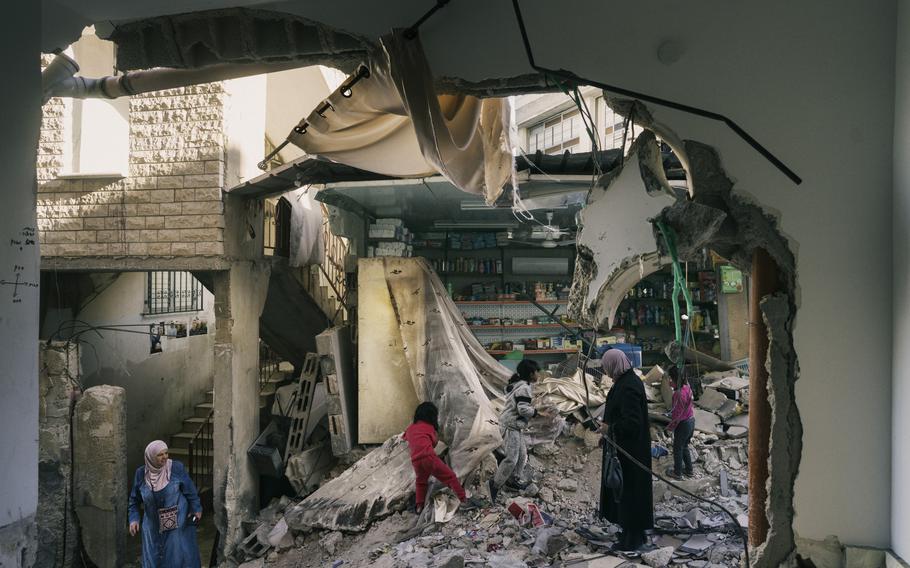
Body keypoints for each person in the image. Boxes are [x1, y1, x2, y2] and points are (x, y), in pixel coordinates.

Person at [598, 349, 654, 551]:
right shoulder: (624, 381)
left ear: (614, 364)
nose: (605, 370)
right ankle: (628, 535)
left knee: (631, 494)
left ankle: (633, 541)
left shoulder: (629, 386)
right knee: (625, 494)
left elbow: (633, 423)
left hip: (631, 453)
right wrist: (607, 435)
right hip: (624, 449)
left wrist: (609, 429)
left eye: (606, 366)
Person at [128, 440, 203, 567]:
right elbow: (134, 500)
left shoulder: (175, 468)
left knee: (178, 558)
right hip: (153, 527)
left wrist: (196, 508)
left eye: (166, 453)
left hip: (177, 523)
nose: (165, 457)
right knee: (154, 559)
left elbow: (191, 492)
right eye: (160, 455)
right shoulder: (141, 474)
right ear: (150, 457)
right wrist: (134, 519)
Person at [403, 402, 484, 513]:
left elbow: (405, 437)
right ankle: (464, 500)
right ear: (432, 416)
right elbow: (434, 443)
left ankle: (419, 506)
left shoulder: (410, 428)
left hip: (416, 461)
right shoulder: (429, 428)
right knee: (450, 477)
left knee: (421, 482)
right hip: (429, 457)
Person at [489, 359, 546, 503]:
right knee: (512, 458)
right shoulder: (524, 388)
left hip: (514, 425)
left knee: (522, 455)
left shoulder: (519, 384)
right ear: (531, 373)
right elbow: (523, 409)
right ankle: (494, 485)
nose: (538, 374)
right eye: (536, 372)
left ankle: (513, 480)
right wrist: (536, 413)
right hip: (511, 426)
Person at [665, 366, 695, 480]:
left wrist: (670, 427)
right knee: (685, 446)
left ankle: (677, 473)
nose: (669, 381)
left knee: (677, 448)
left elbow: (677, 416)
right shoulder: (687, 387)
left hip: (683, 424)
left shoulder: (677, 394)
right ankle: (689, 470)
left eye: (670, 378)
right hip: (691, 421)